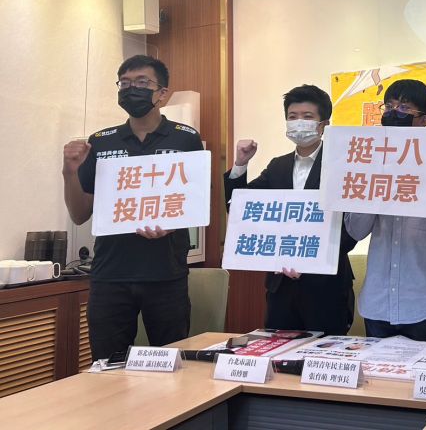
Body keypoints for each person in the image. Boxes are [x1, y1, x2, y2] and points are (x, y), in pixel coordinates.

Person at [62, 55, 203, 360]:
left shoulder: (186, 139)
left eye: (141, 82)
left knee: (172, 364)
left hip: (166, 273)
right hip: (111, 274)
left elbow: (196, 203)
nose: (131, 89)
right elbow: (79, 213)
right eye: (124, 83)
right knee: (107, 366)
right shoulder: (100, 142)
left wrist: (172, 224)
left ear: (162, 92)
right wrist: (69, 171)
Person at [224, 84, 356, 335]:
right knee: (279, 352)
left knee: (323, 354)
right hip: (280, 286)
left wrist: (310, 259)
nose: (298, 123)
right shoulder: (278, 166)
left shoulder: (343, 165)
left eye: (307, 116)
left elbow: (352, 227)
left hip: (326, 285)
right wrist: (240, 165)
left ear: (324, 124)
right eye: (292, 117)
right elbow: (240, 205)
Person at [344, 79, 426, 343]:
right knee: (378, 371)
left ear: (424, 120)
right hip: (378, 304)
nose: (393, 113)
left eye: (403, 108)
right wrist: (369, 186)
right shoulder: (368, 165)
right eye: (388, 106)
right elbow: (355, 230)